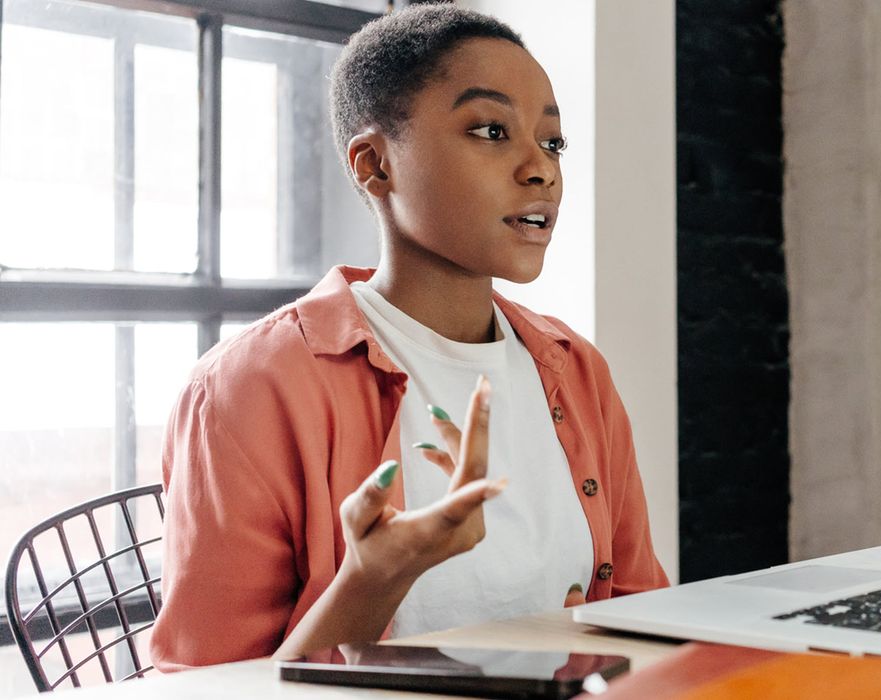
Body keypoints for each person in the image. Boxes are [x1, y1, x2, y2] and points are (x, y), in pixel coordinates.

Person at [150, 5, 668, 671]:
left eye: (553, 142)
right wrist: (371, 581)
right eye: (490, 130)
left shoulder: (575, 368)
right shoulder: (248, 389)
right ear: (374, 166)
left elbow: (637, 615)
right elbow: (206, 688)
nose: (541, 169)